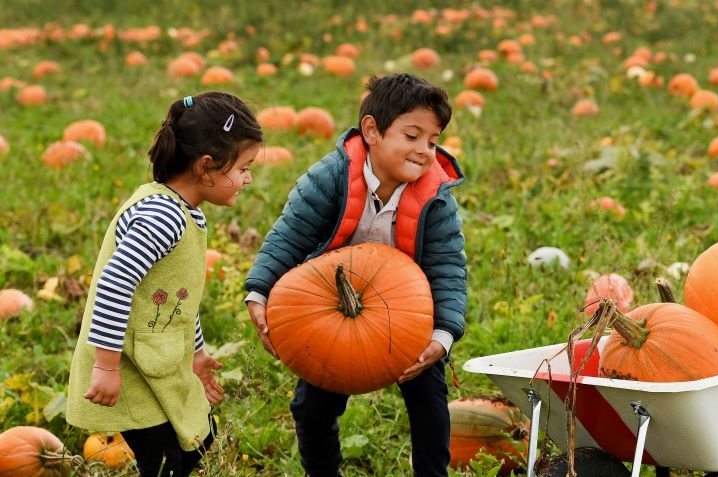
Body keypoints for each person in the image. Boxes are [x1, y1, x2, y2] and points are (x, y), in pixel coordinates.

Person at [244, 72, 467, 477]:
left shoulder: (436, 199)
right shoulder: (329, 178)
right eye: (412, 135)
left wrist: (443, 335)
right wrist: (259, 292)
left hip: (407, 313)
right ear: (372, 131)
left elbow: (448, 268)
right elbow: (289, 236)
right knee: (311, 407)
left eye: (432, 142)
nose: (424, 151)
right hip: (330, 306)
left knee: (429, 398)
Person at [67, 91, 263, 477]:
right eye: (244, 167)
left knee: (199, 442)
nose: (249, 178)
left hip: (159, 356)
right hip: (129, 367)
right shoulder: (162, 216)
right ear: (207, 167)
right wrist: (106, 367)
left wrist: (198, 352)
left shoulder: (183, 211)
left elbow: (178, 298)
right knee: (164, 461)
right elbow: (113, 284)